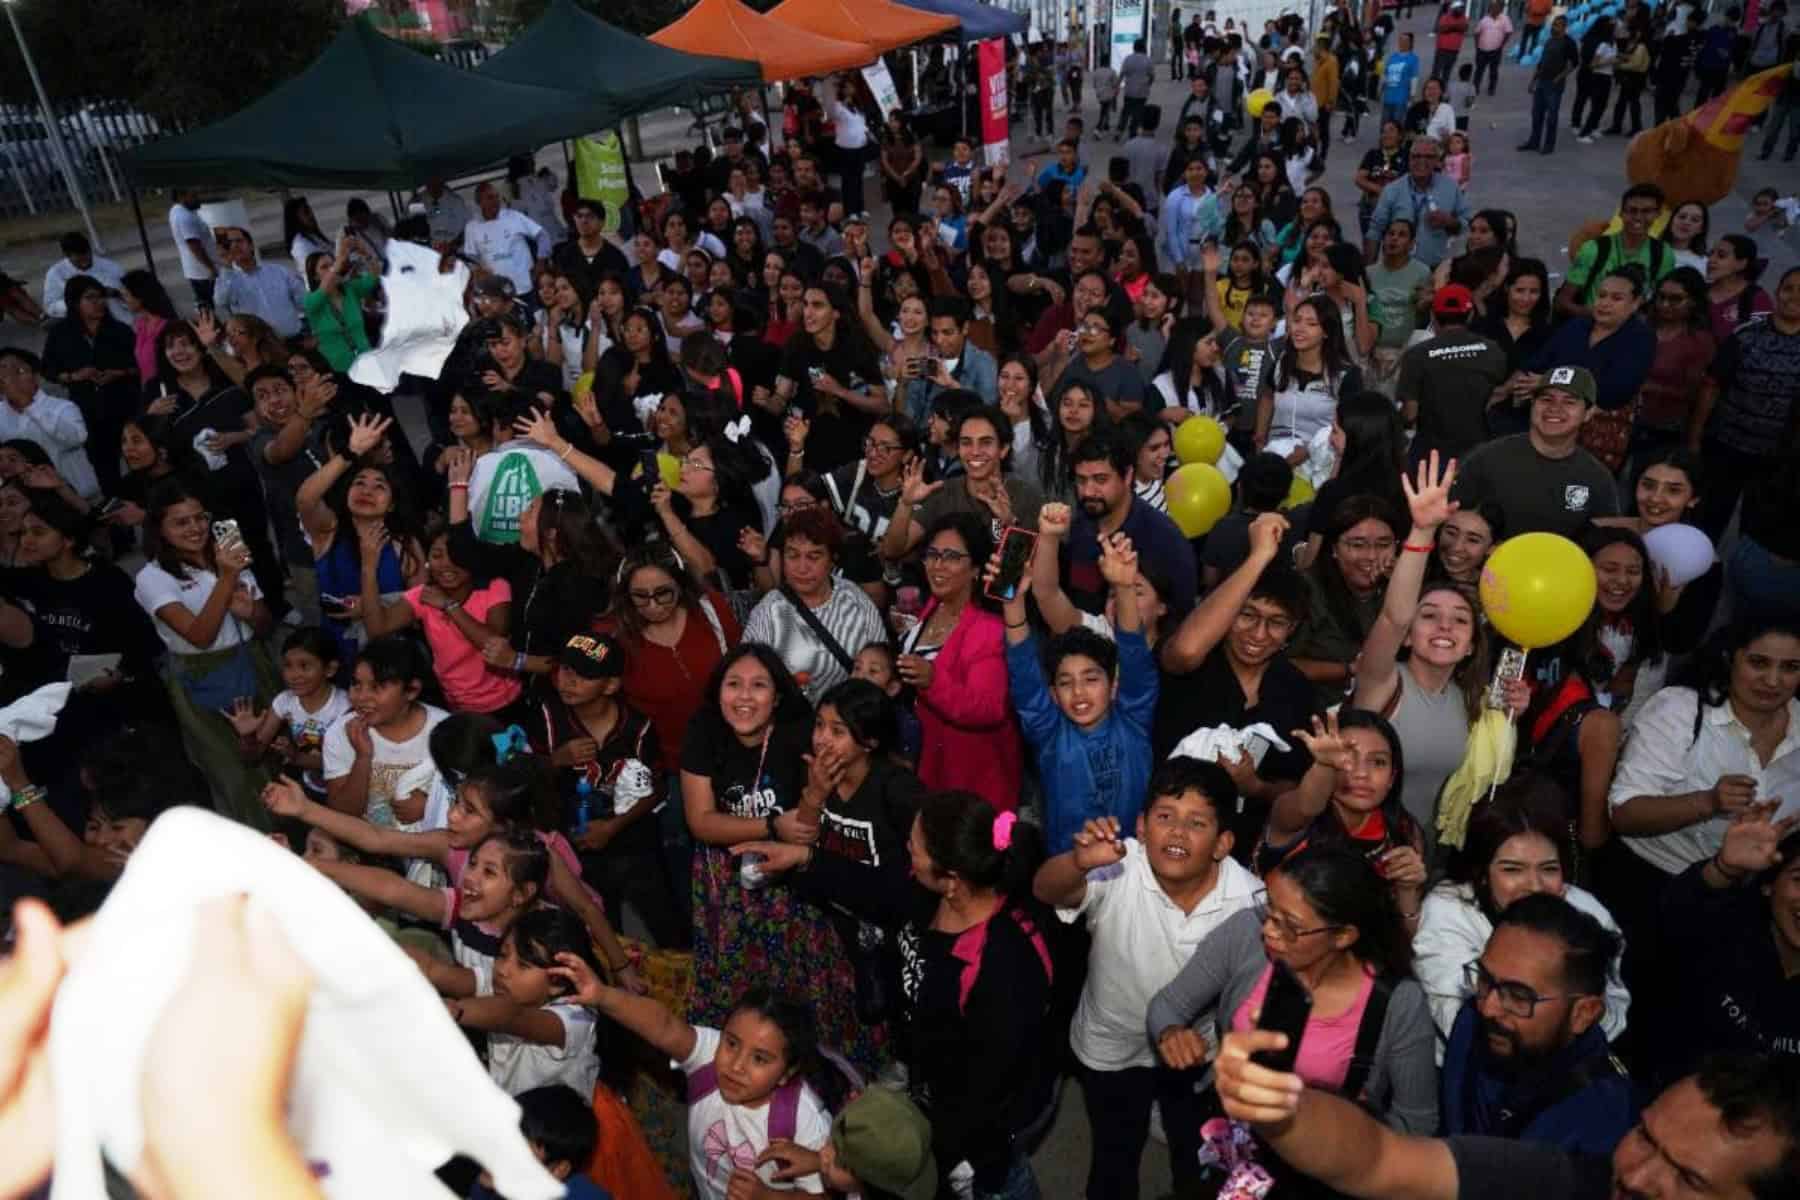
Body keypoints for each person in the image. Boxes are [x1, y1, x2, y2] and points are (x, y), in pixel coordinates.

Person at [738, 790, 1058, 1200]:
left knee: (990, 1181)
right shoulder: (931, 892)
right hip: (933, 1084)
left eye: (916, 847)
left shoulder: (1003, 969)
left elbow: (981, 1100)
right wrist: (804, 859)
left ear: (952, 880)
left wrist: (892, 1168)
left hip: (977, 1132)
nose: (907, 848)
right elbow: (875, 888)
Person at [1033, 757, 1261, 1200]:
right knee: (1114, 1157)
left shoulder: (1248, 900)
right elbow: (1045, 890)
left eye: (1196, 822)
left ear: (1222, 843)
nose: (1177, 832)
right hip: (1111, 1045)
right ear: (1141, 826)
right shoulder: (1118, 865)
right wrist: (1078, 862)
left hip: (1194, 1054)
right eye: (1164, 817)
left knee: (1195, 1156)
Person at [1148, 846, 1439, 1188]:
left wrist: (1347, 1148)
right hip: (1233, 1143)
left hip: (1326, 1169)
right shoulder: (1245, 935)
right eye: (1270, 907)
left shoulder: (1399, 1003)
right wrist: (1171, 1034)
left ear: (1343, 935)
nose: (1269, 930)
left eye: (1289, 926)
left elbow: (1416, 1124)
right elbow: (1166, 1005)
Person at [1218, 1034, 1800, 1200]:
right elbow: (1381, 1159)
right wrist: (1284, 1108)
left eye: (1692, 1180)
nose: (1641, 1179)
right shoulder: (1568, 1181)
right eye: (1645, 1137)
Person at [1414, 780, 1631, 1055]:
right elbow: (1462, 1022)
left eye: (1549, 869)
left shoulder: (1587, 912)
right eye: (1513, 870)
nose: (1535, 886)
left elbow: (1612, 1010)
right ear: (1482, 873)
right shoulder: (1448, 909)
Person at [1002, 530, 1158, 853]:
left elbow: (1134, 654)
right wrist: (1014, 604)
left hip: (1135, 872)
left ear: (1114, 685)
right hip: (1069, 879)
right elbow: (1025, 677)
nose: (1079, 692)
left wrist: (1125, 588)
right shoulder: (1050, 734)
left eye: (1091, 679)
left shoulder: (1133, 720)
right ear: (1053, 695)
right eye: (1065, 682)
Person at [1653, 807, 1800, 1086]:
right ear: (1769, 885)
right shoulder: (1726, 930)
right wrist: (1724, 867)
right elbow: (1673, 915)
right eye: (1799, 880)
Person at [1691, 266, 1800, 540]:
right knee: (1707, 522)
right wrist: (1695, 438)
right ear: (1777, 291)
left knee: (1757, 532)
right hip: (1726, 447)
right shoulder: (1746, 334)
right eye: (1788, 288)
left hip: (1777, 459)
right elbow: (1711, 386)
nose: (1794, 297)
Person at [1452, 366, 1620, 538]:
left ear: (1588, 413)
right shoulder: (1486, 458)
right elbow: (1450, 519)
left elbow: (1605, 545)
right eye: (1547, 399)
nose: (1555, 408)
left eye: (1569, 402)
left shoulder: (1597, 478)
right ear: (1533, 404)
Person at [741, 506, 886, 703]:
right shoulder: (769, 611)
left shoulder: (855, 599)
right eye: (793, 555)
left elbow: (882, 665)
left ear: (832, 561)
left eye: (813, 556)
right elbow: (747, 677)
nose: (801, 568)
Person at [40, 276, 137, 499]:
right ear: (75, 303)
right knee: (108, 478)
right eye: (90, 298)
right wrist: (74, 376)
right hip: (89, 414)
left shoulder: (119, 331)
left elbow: (139, 367)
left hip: (125, 408)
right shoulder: (61, 333)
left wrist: (118, 373)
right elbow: (48, 370)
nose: (99, 302)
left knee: (139, 467)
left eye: (101, 297)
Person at [1397, 286, 1511, 463]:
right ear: (1471, 314)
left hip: (1433, 455)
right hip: (1481, 451)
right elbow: (1501, 393)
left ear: (1433, 315)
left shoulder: (1417, 355)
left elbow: (1410, 413)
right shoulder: (1493, 350)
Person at [0, 347, 100, 504]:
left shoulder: (63, 407)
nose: (11, 379)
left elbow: (76, 439)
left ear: (36, 377)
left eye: (18, 371)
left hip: (78, 497)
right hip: (28, 504)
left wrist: (27, 403)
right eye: (4, 373)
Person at [1365, 137, 1471, 270]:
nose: (1422, 161)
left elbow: (1467, 225)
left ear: (1437, 161)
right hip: (1396, 269)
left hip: (1436, 269)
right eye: (1416, 156)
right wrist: (1368, 272)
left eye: (1429, 157)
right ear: (1409, 159)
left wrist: (1449, 222)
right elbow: (1375, 231)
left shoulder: (1450, 188)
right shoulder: (1392, 190)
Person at [212, 227, 306, 341]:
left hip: (295, 339)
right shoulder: (228, 280)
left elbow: (304, 302)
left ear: (251, 245)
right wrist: (227, 267)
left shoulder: (279, 271)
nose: (235, 246)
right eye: (229, 243)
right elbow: (220, 301)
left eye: (239, 241)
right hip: (261, 347)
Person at [464, 181, 552, 297]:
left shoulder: (513, 216)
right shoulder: (472, 227)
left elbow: (542, 235)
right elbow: (471, 258)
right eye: (490, 198)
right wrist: (479, 272)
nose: (495, 201)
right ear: (479, 202)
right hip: (499, 294)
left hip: (526, 286)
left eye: (497, 197)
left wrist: (540, 263)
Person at [1518, 15, 1580, 156]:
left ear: (1564, 27)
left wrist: (1560, 77)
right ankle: (1534, 142)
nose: (1554, 27)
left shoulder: (1568, 42)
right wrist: (1533, 81)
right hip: (1541, 82)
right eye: (1553, 24)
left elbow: (1574, 63)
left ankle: (1548, 145)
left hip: (1554, 85)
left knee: (1551, 116)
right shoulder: (1549, 41)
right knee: (1536, 114)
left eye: (1557, 25)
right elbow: (1541, 63)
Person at [41, 231, 129, 325]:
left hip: (119, 320)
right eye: (79, 257)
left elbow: (132, 296)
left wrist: (116, 294)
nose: (85, 260)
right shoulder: (56, 273)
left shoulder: (111, 267)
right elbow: (50, 306)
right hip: (82, 323)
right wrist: (80, 303)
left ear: (90, 249)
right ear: (67, 255)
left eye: (86, 254)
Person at [1381, 32, 1422, 128]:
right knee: (1384, 123)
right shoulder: (1393, 57)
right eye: (1400, 40)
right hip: (1388, 97)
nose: (1402, 42)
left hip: (1401, 98)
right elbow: (1386, 73)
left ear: (1410, 43)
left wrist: (1412, 95)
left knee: (1396, 124)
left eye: (1405, 40)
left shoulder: (1413, 59)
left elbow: (1414, 78)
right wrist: (1382, 88)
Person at [1472, 1, 1513, 95]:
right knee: (1479, 70)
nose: (1494, 10)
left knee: (1493, 71)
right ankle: (1475, 88)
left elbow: (1509, 32)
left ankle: (1491, 89)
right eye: (1492, 8)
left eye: (1496, 8)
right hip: (1482, 50)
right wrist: (1477, 47)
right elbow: (1476, 34)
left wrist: (1501, 45)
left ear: (1500, 9)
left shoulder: (1505, 19)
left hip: (1496, 50)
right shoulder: (1484, 19)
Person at [1120, 39, 1156, 140]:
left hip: (1129, 90)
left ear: (1134, 47)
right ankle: (1133, 131)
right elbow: (1152, 76)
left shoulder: (1128, 59)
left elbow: (1122, 74)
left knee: (1126, 111)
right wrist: (1148, 84)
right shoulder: (1148, 60)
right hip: (1142, 91)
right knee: (1138, 112)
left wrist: (1117, 86)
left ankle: (1120, 129)